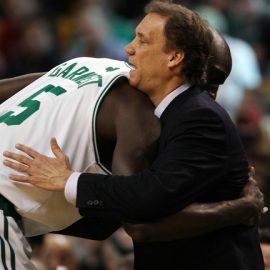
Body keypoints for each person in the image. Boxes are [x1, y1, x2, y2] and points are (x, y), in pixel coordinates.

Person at [3, 1, 264, 270]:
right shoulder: (158, 112)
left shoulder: (197, 117)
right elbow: (127, 212)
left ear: (175, 57)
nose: (128, 48)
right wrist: (237, 209)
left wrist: (70, 181)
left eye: (142, 40)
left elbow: (143, 216)